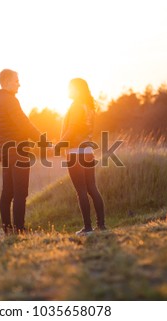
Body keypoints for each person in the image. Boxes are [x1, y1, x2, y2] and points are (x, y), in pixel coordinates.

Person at [0, 69, 41, 235]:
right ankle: (19, 229)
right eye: (17, 80)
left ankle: (6, 228)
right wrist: (43, 141)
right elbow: (24, 124)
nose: (19, 84)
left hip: (5, 152)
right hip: (18, 150)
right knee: (20, 192)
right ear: (8, 81)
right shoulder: (10, 100)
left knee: (7, 192)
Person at [59, 78, 106, 236]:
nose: (68, 91)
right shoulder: (89, 107)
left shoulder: (76, 106)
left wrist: (59, 144)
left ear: (77, 89)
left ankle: (87, 228)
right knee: (92, 188)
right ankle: (101, 225)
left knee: (81, 191)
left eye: (70, 88)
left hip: (75, 152)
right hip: (87, 151)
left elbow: (71, 130)